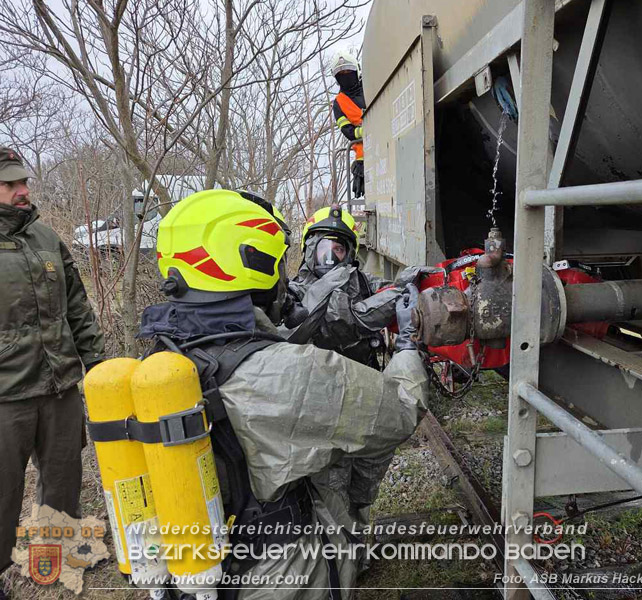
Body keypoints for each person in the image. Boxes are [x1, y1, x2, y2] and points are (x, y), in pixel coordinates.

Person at [137, 189, 428, 599]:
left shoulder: (163, 360)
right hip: (277, 580)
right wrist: (409, 344)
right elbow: (400, 410)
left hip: (195, 579)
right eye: (276, 264)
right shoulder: (285, 372)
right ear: (255, 264)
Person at [0, 147, 105, 586]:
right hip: (6, 395)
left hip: (60, 386)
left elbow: (77, 307)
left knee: (63, 478)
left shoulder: (46, 238)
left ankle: (56, 556)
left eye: (24, 181)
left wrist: (97, 365)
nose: (23, 190)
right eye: (11, 185)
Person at [290, 204, 433, 368]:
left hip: (364, 379)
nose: (330, 256)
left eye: (338, 248)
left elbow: (393, 290)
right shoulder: (294, 292)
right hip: (315, 381)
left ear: (349, 253)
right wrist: (397, 294)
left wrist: (413, 282)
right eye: (324, 247)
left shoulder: (363, 283)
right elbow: (339, 321)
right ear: (310, 249)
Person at [330, 51, 365, 199]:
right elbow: (348, 131)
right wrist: (367, 131)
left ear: (356, 71)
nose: (346, 76)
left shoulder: (373, 85)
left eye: (348, 72)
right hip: (363, 157)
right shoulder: (339, 103)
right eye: (341, 74)